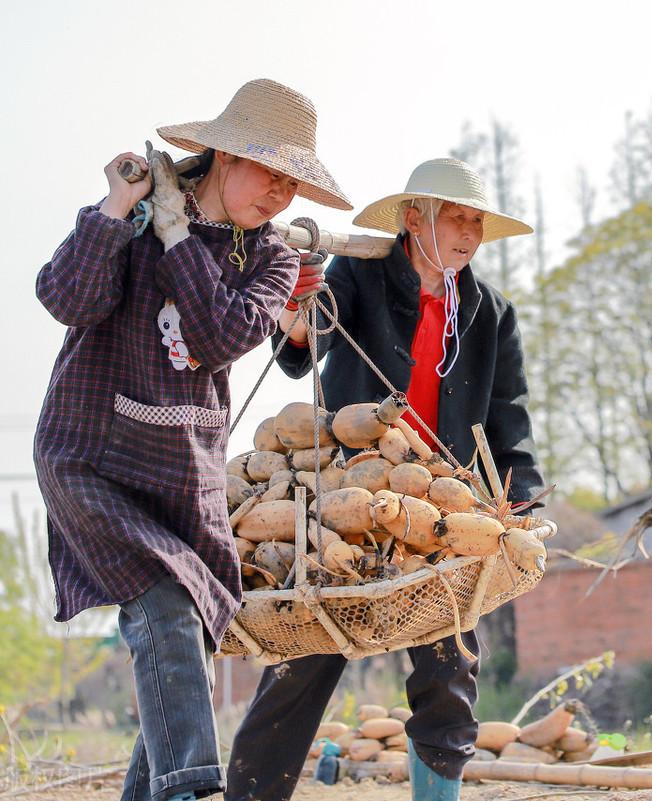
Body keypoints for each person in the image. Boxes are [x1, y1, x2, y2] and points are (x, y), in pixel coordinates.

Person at [32, 78, 349, 801]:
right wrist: (119, 211)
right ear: (223, 155)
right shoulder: (135, 217)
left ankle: (161, 789)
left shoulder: (272, 261)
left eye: (292, 181)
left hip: (184, 473)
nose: (278, 193)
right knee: (166, 610)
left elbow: (215, 338)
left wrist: (179, 237)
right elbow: (65, 297)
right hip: (91, 458)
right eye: (268, 170)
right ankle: (191, 791)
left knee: (187, 636)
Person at [226, 157, 544, 801]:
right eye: (456, 217)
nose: (469, 233)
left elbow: (509, 420)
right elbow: (302, 344)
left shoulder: (490, 313)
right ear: (412, 219)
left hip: (438, 506)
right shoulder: (361, 273)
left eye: (477, 222)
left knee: (450, 671)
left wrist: (523, 502)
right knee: (305, 657)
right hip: (350, 497)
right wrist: (296, 309)